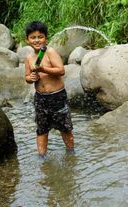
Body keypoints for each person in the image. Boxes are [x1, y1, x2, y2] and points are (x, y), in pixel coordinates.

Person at [24, 21, 74, 157]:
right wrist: (31, 78)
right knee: (41, 129)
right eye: (33, 37)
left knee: (65, 127)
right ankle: (42, 157)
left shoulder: (50, 52)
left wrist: (42, 69)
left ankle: (71, 153)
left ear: (46, 38)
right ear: (27, 40)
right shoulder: (29, 58)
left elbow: (61, 70)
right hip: (40, 98)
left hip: (57, 96)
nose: (37, 40)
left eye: (40, 37)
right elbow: (27, 77)